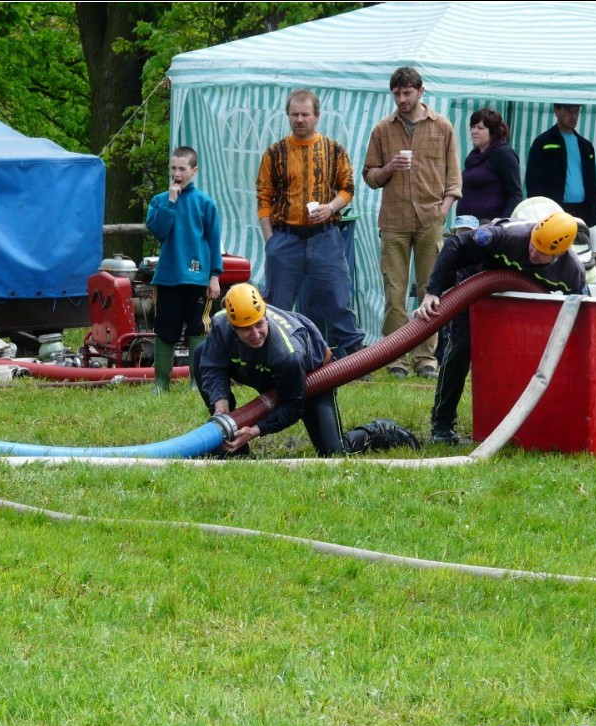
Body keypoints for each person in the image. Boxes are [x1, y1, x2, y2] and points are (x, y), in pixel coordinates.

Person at [416, 212, 587, 445]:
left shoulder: (572, 271)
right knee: (461, 346)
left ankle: (521, 422)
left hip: (522, 299)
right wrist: (433, 292)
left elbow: (584, 307)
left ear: (559, 254)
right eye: (533, 245)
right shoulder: (507, 235)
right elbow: (455, 245)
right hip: (475, 279)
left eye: (541, 253)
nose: (533, 253)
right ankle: (442, 424)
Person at [362, 66, 462, 379]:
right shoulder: (382, 129)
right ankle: (396, 360)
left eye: (407, 93)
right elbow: (369, 176)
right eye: (396, 93)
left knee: (430, 293)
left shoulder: (442, 126)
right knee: (394, 293)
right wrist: (389, 166)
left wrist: (443, 209)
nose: (402, 99)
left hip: (430, 221)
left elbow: (453, 177)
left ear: (421, 91)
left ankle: (426, 360)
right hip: (393, 221)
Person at [255, 89, 366, 360]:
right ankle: (273, 358)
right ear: (288, 116)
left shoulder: (333, 149)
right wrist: (271, 240)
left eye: (305, 114)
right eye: (295, 114)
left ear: (316, 116)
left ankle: (355, 360)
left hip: (324, 237)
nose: (300, 119)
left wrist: (330, 208)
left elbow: (348, 188)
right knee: (277, 305)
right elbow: (263, 197)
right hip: (285, 238)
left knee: (338, 300)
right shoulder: (275, 153)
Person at [193, 283, 345, 457]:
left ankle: (379, 430)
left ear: (265, 316)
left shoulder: (288, 353)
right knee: (201, 354)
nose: (256, 334)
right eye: (247, 329)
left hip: (311, 379)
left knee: (333, 452)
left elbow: (293, 407)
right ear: (233, 327)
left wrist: (255, 430)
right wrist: (220, 403)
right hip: (266, 372)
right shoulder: (220, 325)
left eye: (259, 324)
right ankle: (231, 441)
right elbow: (211, 366)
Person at [144, 146, 223, 393]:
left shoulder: (205, 204)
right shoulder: (159, 201)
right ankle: (161, 382)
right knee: (165, 328)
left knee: (198, 327)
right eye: (173, 168)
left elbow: (213, 241)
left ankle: (195, 381)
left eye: (182, 168)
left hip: (198, 278)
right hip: (168, 277)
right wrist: (170, 202)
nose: (176, 173)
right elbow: (158, 231)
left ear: (194, 170)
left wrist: (214, 276)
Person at [525, 104, 596, 226]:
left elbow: (593, 184)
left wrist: (593, 211)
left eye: (576, 111)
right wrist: (540, 212)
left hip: (583, 212)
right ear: (556, 111)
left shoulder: (586, 146)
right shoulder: (543, 143)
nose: (573, 115)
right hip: (554, 212)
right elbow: (534, 182)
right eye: (569, 111)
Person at [456, 108, 522, 223]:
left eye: (480, 128)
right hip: (467, 225)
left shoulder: (503, 154)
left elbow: (515, 194)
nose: (474, 131)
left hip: (489, 229)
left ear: (493, 131)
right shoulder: (475, 154)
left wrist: (501, 223)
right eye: (473, 126)